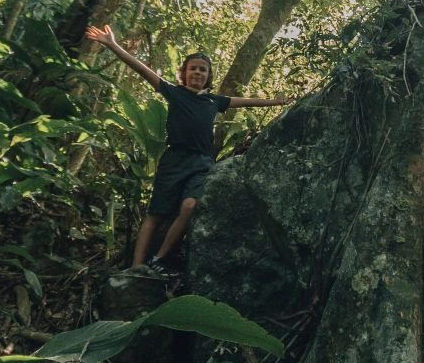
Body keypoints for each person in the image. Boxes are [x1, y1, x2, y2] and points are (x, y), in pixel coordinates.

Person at [84, 24, 295, 269]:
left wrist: (276, 101)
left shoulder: (214, 101)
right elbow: (141, 69)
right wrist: (112, 44)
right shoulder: (174, 93)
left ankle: (159, 259)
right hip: (174, 160)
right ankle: (135, 269)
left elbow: (247, 101)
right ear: (184, 73)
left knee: (190, 206)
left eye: (203, 70)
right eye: (193, 69)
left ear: (208, 75)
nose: (198, 73)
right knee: (155, 215)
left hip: (201, 163)